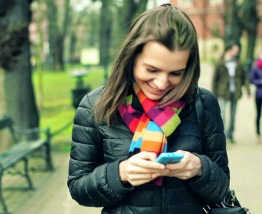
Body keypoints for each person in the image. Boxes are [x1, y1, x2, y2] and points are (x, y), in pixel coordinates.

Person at [67, 4, 230, 214]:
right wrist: (120, 174)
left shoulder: (203, 103)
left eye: (176, 73)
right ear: (132, 57)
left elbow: (221, 187)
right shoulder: (95, 105)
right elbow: (78, 188)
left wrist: (199, 168)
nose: (161, 83)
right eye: (152, 70)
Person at [212, 42, 251, 143]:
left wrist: (247, 90)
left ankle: (231, 135)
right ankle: (223, 137)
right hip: (223, 92)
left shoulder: (239, 63)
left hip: (235, 92)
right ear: (229, 50)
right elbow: (214, 79)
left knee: (233, 115)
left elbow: (245, 77)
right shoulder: (220, 63)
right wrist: (213, 94)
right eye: (235, 49)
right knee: (223, 115)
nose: (237, 51)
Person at [250, 51, 262, 144]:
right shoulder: (255, 67)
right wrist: (260, 82)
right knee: (258, 114)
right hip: (259, 94)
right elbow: (252, 80)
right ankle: (258, 134)